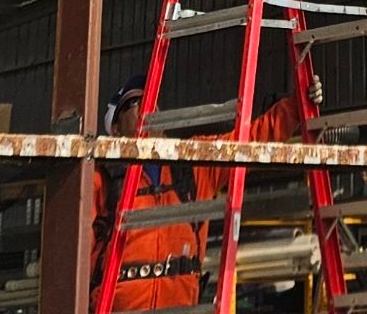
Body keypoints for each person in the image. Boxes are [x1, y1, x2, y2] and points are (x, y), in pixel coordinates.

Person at [92, 79, 308, 307]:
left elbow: (251, 140)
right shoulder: (102, 180)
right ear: (115, 129)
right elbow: (77, 250)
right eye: (134, 102)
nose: (148, 105)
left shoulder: (192, 165)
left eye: (152, 100)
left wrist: (297, 105)